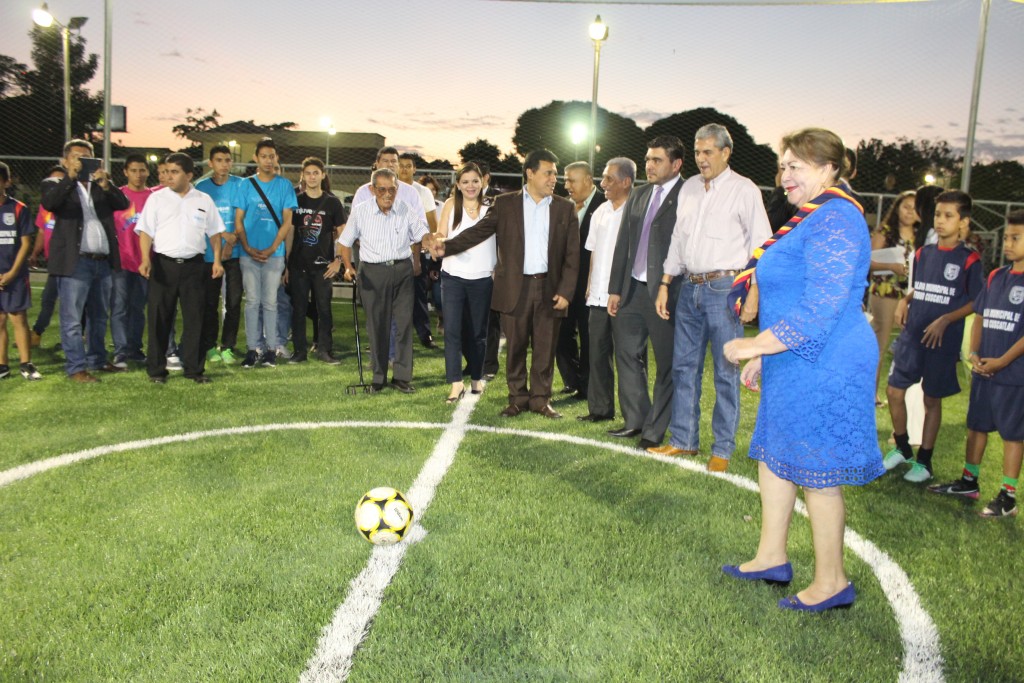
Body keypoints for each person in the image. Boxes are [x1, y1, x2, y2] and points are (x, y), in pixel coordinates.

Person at [722, 127, 885, 612]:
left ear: (829, 168)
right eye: (783, 166)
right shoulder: (810, 217)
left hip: (827, 359)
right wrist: (767, 355)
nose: (785, 176)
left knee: (817, 471)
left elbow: (821, 306)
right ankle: (771, 557)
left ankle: (832, 582)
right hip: (794, 354)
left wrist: (755, 345)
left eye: (796, 166)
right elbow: (793, 296)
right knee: (775, 455)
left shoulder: (836, 217)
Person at [653, 124, 772, 472]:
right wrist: (665, 282)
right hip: (689, 286)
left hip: (726, 289)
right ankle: (683, 440)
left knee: (725, 370)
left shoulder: (744, 190)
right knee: (683, 367)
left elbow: (762, 245)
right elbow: (678, 239)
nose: (701, 158)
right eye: (697, 152)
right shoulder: (690, 188)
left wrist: (754, 293)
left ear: (725, 152)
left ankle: (722, 448)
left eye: (708, 152)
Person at [429, 149, 580, 419]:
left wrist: (566, 291)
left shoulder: (564, 208)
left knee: (545, 349)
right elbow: (478, 232)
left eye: (554, 174)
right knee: (515, 348)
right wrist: (447, 247)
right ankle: (517, 398)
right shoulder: (505, 204)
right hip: (514, 288)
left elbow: (572, 255)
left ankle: (541, 400)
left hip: (549, 289)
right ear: (530, 173)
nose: (553, 179)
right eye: (548, 173)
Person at [883, 190, 983, 483]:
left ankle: (925, 461)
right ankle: (903, 447)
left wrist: (947, 319)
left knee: (931, 399)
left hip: (941, 341)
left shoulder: (969, 259)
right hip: (913, 334)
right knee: (893, 391)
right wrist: (905, 301)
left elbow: (976, 301)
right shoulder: (923, 253)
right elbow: (923, 288)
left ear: (963, 222)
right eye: (938, 214)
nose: (940, 220)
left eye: (948, 216)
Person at [928, 212, 1024, 518]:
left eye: (1016, 238)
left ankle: (1008, 496)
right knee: (976, 425)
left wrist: (1002, 361)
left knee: (1013, 434)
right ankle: (969, 481)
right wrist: (974, 353)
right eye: (1006, 237)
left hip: (1013, 373)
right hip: (985, 368)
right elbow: (980, 316)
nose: (1007, 243)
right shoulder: (996, 276)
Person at [605, 135, 686, 448]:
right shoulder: (638, 194)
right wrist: (615, 289)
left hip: (667, 292)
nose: (649, 165)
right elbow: (623, 244)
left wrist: (669, 285)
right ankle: (635, 420)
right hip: (631, 290)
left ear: (676, 164)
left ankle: (654, 431)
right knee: (627, 355)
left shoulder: (688, 195)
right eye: (648, 159)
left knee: (667, 364)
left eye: (657, 160)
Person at [41, 139, 130, 383]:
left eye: (86, 157)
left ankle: (97, 360)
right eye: (76, 157)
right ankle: (76, 367)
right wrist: (70, 178)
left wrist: (106, 184)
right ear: (65, 161)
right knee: (72, 319)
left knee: (99, 316)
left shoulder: (99, 185)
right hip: (75, 262)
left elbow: (123, 203)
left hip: (102, 261)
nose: (81, 162)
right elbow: (50, 203)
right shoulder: (55, 184)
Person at [135, 153, 226, 384]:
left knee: (195, 319)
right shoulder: (156, 199)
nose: (169, 176)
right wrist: (145, 259)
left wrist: (217, 261)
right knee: (159, 318)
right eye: (167, 172)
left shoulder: (204, 200)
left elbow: (215, 233)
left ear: (189, 175)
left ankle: (194, 370)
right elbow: (145, 232)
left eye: (174, 172)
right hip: (163, 265)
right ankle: (157, 371)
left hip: (194, 267)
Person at [339, 168, 430, 393]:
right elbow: (345, 242)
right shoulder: (360, 211)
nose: (387, 194)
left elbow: (421, 233)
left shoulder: (405, 208)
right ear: (372, 190)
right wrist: (348, 266)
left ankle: (402, 377)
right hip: (372, 272)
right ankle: (378, 377)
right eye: (382, 190)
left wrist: (433, 241)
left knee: (404, 324)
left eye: (392, 190)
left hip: (402, 270)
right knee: (377, 325)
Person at [578, 157, 635, 423]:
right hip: (598, 296)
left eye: (609, 179)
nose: (603, 184)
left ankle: (633, 417)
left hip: (625, 298)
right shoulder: (600, 211)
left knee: (629, 358)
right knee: (597, 355)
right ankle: (600, 410)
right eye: (603, 178)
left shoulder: (636, 213)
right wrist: (590, 284)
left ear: (626, 181)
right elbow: (593, 251)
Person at [233, 138, 297, 369]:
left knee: (270, 302)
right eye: (264, 156)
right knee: (252, 301)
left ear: (277, 158)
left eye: (272, 156)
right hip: (249, 253)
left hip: (274, 254)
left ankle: (271, 349)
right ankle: (252, 349)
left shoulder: (284, 185)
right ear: (256, 158)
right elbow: (238, 219)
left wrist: (272, 248)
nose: (268, 160)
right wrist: (247, 246)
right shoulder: (245, 185)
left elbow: (287, 221)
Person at [436, 163, 496, 403]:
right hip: (452, 277)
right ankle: (455, 383)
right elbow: (441, 233)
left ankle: (476, 377)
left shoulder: (492, 207)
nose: (471, 186)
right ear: (458, 185)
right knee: (452, 331)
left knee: (478, 332)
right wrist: (435, 240)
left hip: (482, 278)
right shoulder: (451, 205)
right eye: (465, 182)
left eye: (475, 181)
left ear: (482, 181)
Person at [556, 161, 606, 400]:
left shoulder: (605, 205)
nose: (567, 185)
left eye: (571, 180)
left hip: (590, 284)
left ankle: (586, 386)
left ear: (588, 180)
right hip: (565, 284)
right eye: (565, 180)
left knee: (588, 337)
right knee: (560, 335)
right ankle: (572, 380)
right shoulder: (564, 206)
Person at [289, 157, 345, 364]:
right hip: (298, 265)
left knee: (324, 309)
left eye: (316, 173)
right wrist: (287, 264)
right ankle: (299, 351)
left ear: (323, 175)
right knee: (299, 309)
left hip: (323, 267)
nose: (312, 177)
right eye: (308, 173)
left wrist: (338, 260)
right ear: (302, 176)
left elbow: (343, 234)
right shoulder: (295, 201)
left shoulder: (332, 202)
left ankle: (325, 350)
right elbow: (290, 233)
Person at [867, 190, 919, 402]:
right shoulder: (885, 231)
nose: (909, 212)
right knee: (880, 343)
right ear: (897, 208)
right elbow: (867, 260)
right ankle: (870, 393)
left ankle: (905, 394)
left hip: (910, 293)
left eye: (914, 208)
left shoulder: (921, 234)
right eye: (905, 206)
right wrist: (891, 266)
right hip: (886, 291)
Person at [194, 144, 244, 363]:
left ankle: (228, 346)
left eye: (227, 160)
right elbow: (200, 219)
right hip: (210, 255)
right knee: (209, 303)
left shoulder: (241, 185)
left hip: (235, 254)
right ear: (211, 163)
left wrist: (232, 242)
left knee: (233, 302)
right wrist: (224, 235)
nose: (224, 164)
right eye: (219, 160)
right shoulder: (201, 187)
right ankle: (209, 346)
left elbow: (244, 216)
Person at [110, 154, 154, 369]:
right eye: (134, 170)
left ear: (148, 171)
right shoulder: (117, 196)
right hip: (121, 262)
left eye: (142, 170)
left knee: (138, 308)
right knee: (119, 307)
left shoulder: (154, 197)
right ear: (125, 172)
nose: (138, 175)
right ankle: (120, 351)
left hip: (145, 262)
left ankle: (135, 349)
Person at [0, 161, 41, 381]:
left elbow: (25, 244)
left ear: (6, 182)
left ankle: (26, 364)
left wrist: (12, 272)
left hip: (14, 274)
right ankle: (2, 365)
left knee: (18, 318)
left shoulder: (18, 209)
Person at [398, 153, 440, 349]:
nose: (404, 169)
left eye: (408, 166)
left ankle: (425, 334)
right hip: (393, 252)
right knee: (391, 297)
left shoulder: (423, 192)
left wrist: (428, 244)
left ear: (414, 169)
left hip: (416, 252)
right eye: (401, 165)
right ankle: (387, 338)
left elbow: (432, 223)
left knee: (418, 295)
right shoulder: (389, 188)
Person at [29, 165, 66, 347]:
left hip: (70, 262)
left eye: (60, 180)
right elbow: (42, 232)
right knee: (48, 299)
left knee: (71, 303)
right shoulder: (45, 207)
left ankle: (75, 337)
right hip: (54, 262)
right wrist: (35, 253)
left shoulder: (71, 206)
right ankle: (37, 333)